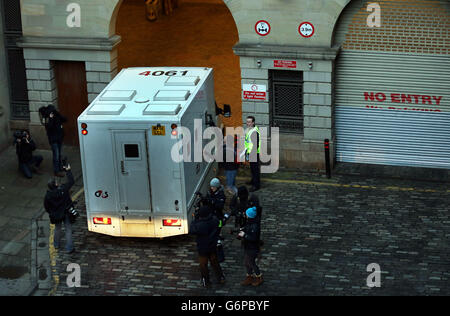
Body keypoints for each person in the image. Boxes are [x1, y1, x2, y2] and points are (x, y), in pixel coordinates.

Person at [189, 205, 225, 287]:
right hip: (212, 246)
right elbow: (220, 224)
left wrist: (194, 220)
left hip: (202, 247)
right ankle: (220, 277)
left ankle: (206, 281)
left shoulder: (199, 225)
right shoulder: (215, 220)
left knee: (203, 265)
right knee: (215, 262)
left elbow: (191, 230)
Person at [44, 163, 75, 253]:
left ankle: (56, 244)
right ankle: (69, 248)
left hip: (56, 214)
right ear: (56, 184)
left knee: (57, 228)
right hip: (65, 212)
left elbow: (46, 207)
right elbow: (71, 181)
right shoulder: (63, 189)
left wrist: (52, 212)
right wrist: (68, 170)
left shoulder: (48, 195)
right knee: (68, 229)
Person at [238, 206, 263, 286]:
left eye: (246, 214)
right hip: (248, 246)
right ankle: (249, 276)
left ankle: (259, 277)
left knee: (251, 262)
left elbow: (254, 238)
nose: (245, 215)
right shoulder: (250, 222)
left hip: (253, 247)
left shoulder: (255, 226)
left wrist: (244, 235)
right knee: (246, 262)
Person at [42, 105, 67, 177]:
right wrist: (51, 118)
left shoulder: (57, 117)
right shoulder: (47, 119)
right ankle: (56, 171)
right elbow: (49, 127)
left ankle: (60, 168)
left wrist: (58, 114)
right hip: (53, 140)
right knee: (56, 155)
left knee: (59, 154)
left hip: (59, 138)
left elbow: (65, 119)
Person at [244, 116, 261, 192]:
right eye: (247, 122)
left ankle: (256, 185)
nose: (248, 123)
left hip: (253, 153)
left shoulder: (254, 131)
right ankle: (253, 180)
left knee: (255, 169)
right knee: (252, 168)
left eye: (249, 122)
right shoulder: (249, 130)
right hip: (250, 152)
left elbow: (255, 144)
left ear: (253, 122)